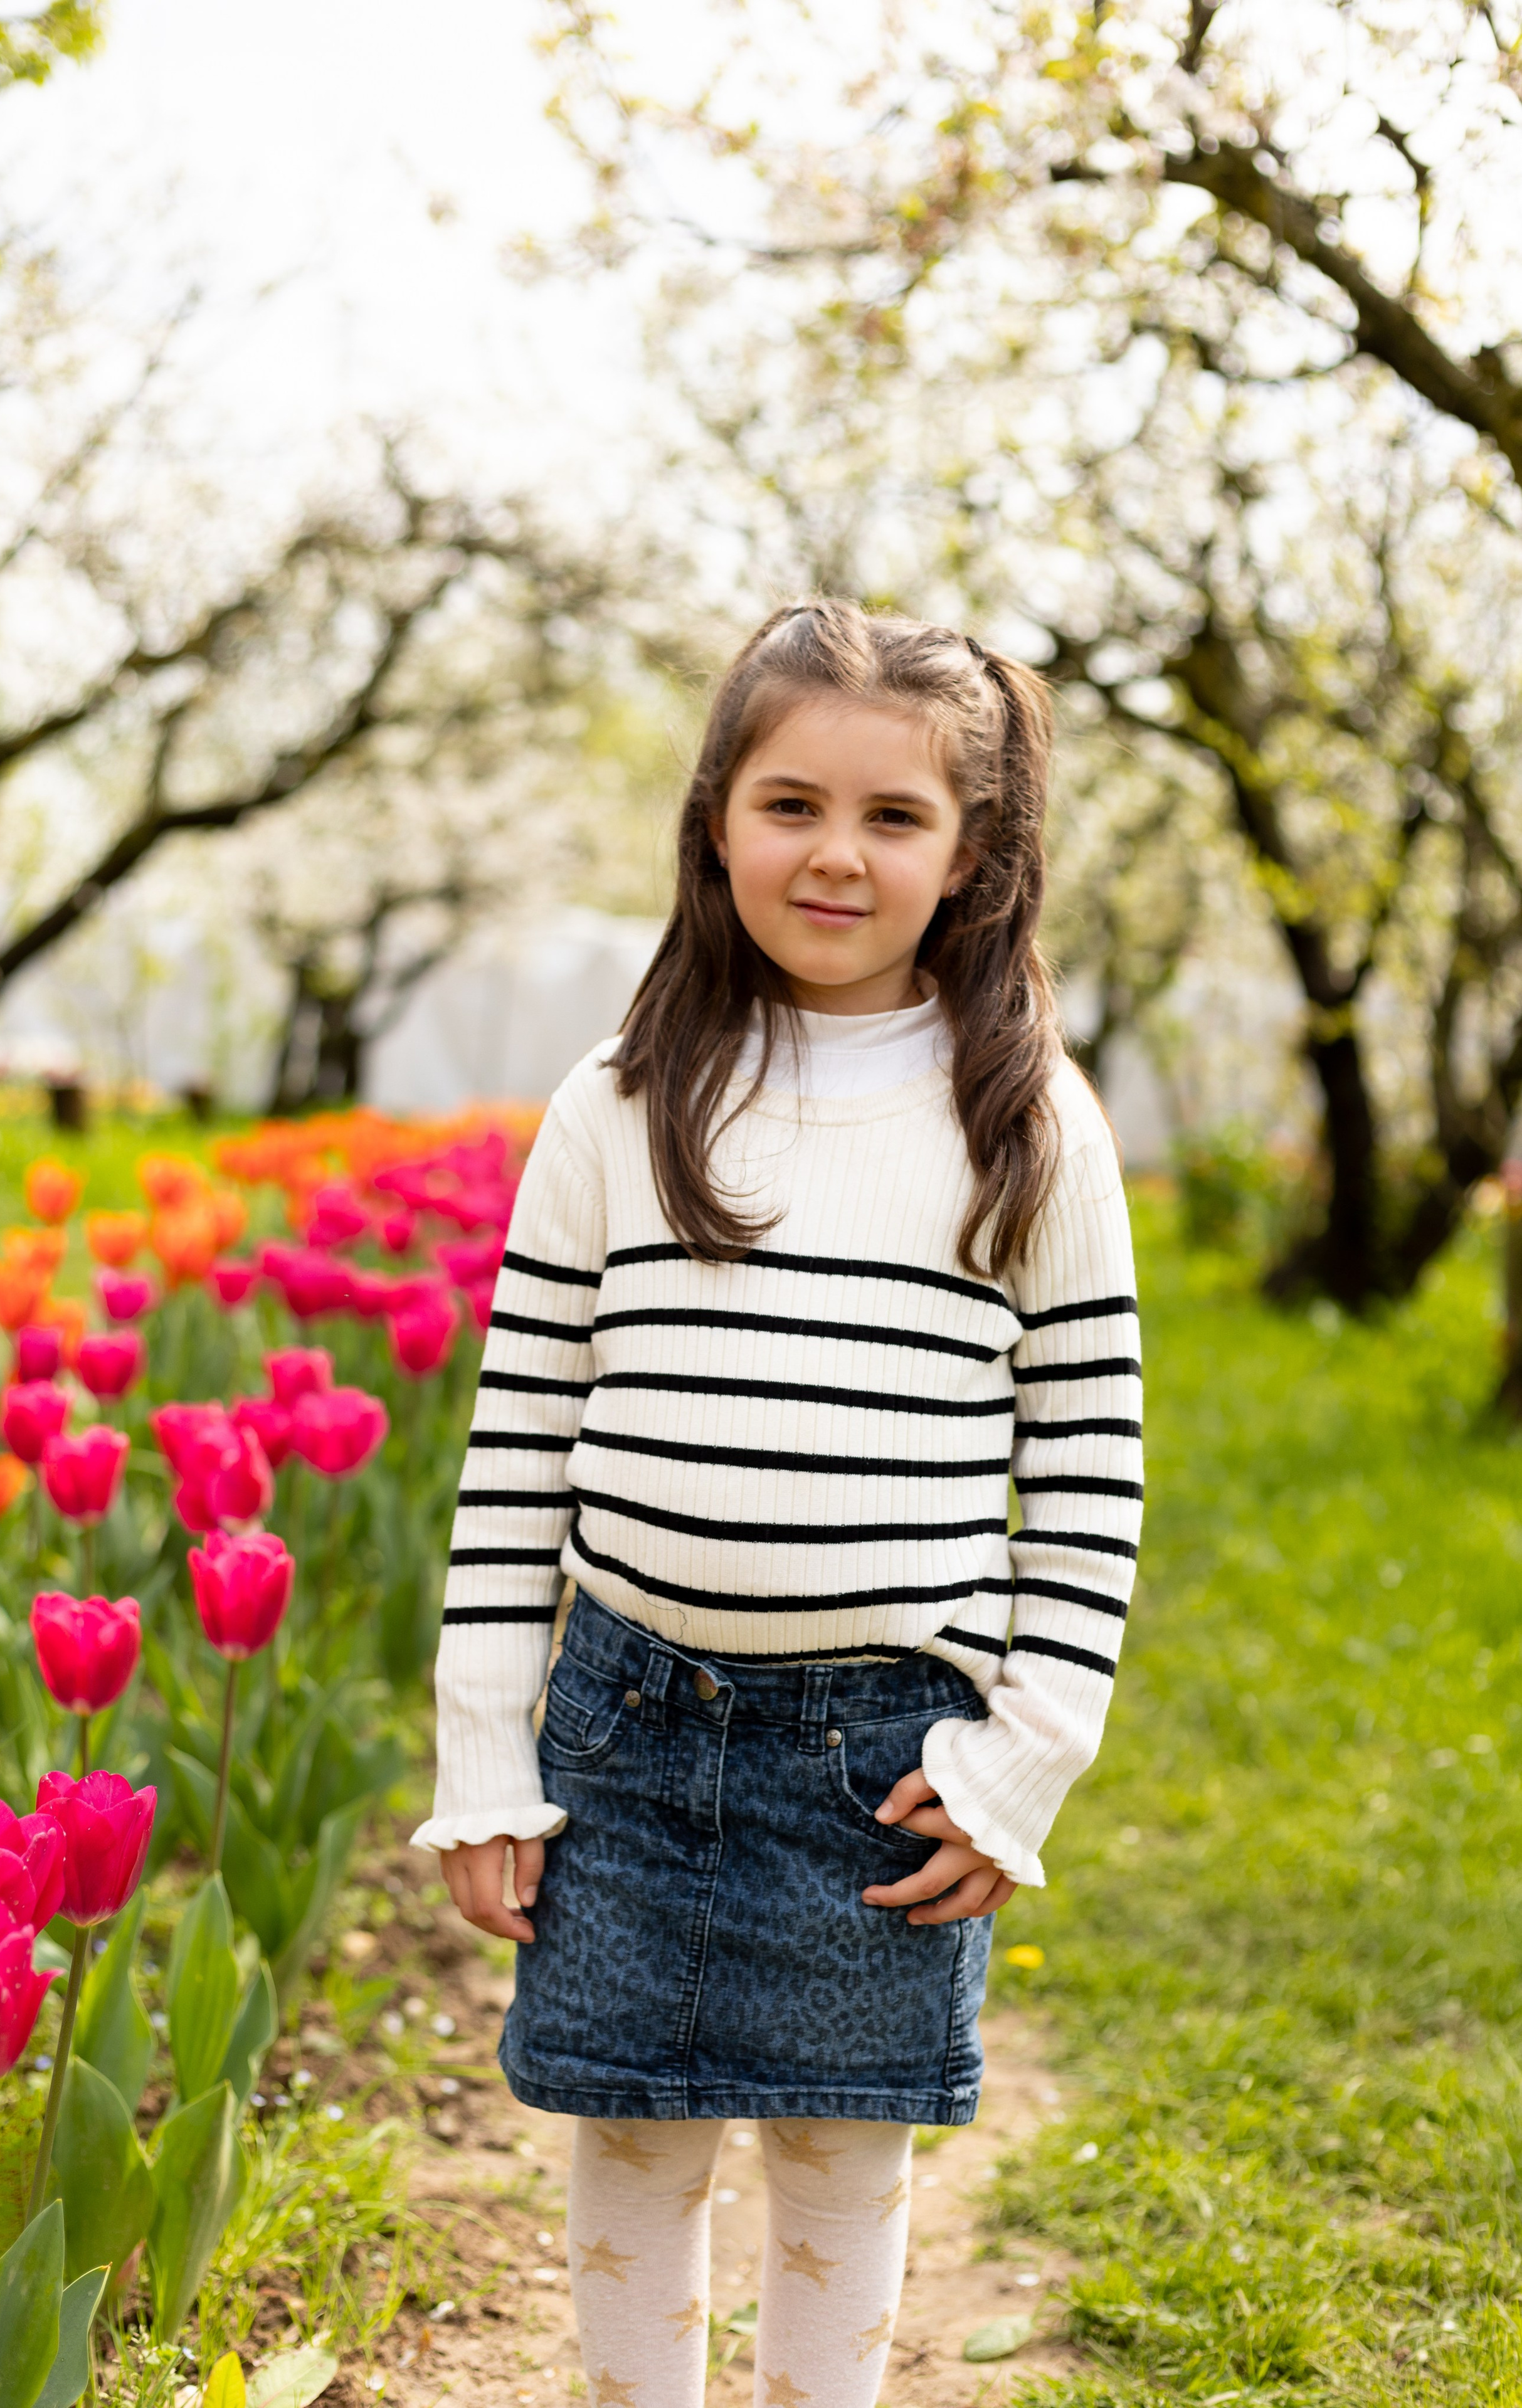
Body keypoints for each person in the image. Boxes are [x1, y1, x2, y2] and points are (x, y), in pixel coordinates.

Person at [411, 599, 1143, 2407]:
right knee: (633, 2140)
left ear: (973, 855)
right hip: (630, 1728)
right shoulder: (625, 1100)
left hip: (884, 1757)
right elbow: (519, 1441)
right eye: (789, 803)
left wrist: (1026, 1752)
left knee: (840, 2154)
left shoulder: (1028, 1121)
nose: (835, 853)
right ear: (716, 823)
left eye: (894, 817)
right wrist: (485, 1755)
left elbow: (1092, 1460)